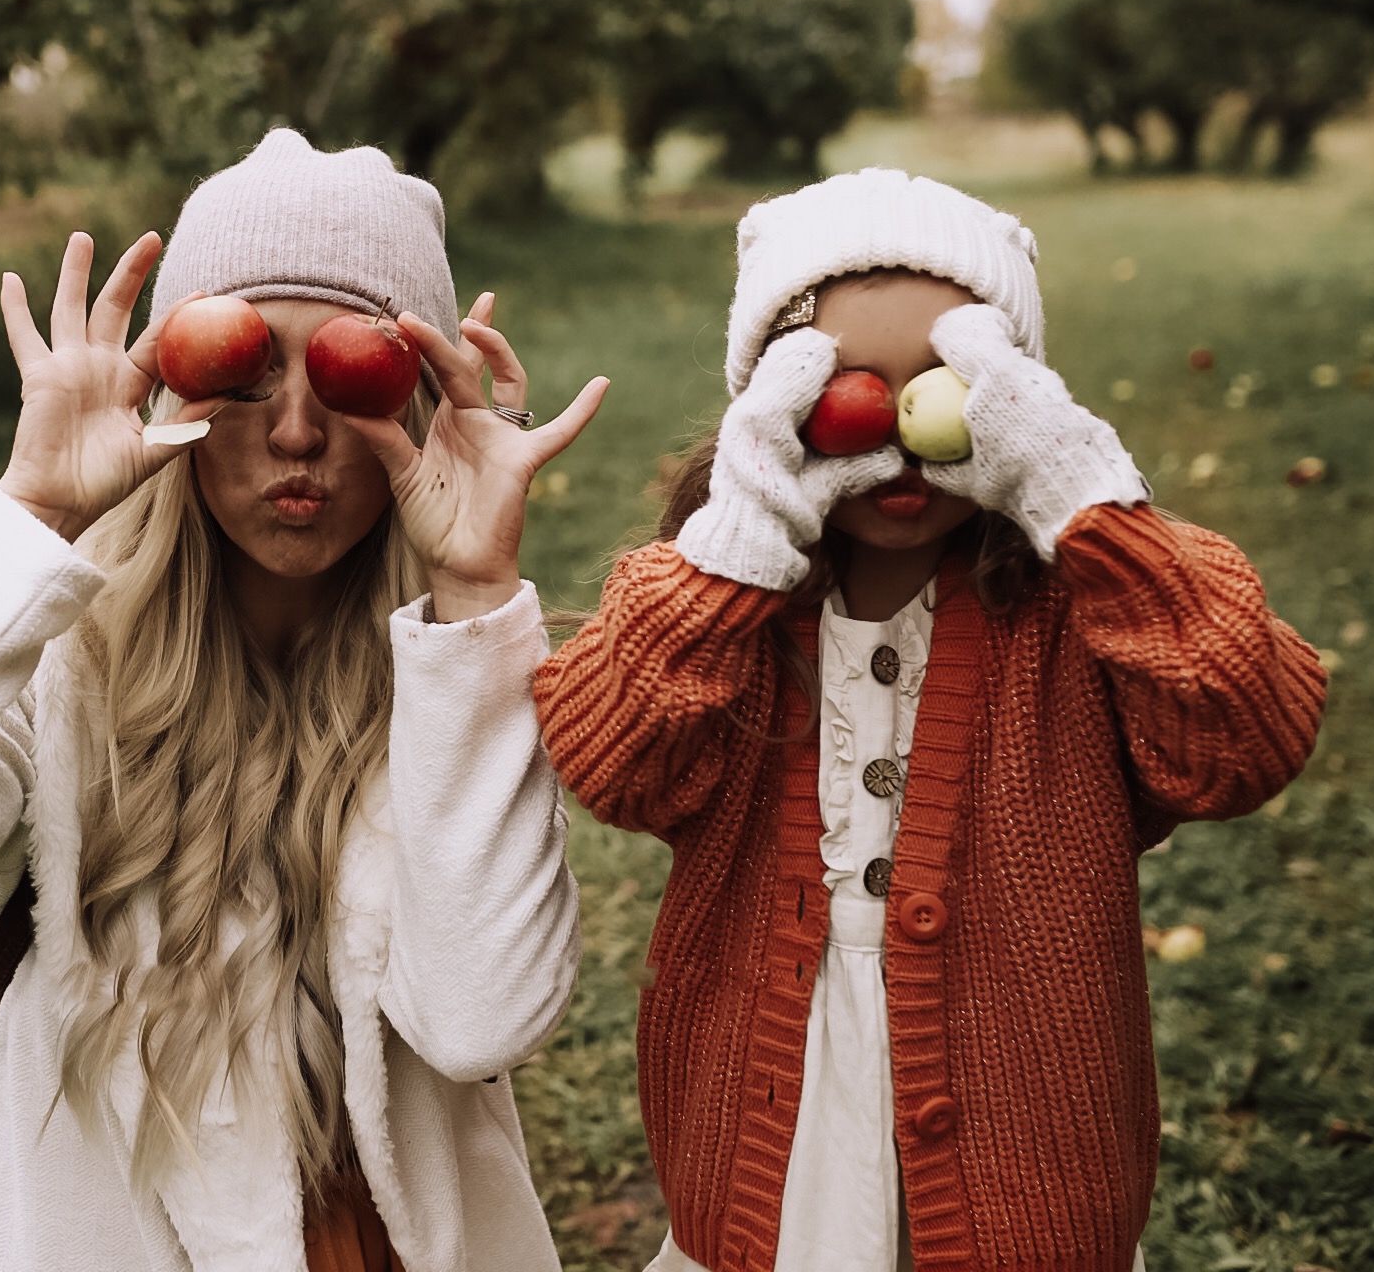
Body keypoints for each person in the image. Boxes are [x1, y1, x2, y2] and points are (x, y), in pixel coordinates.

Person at [0, 129, 608, 1272]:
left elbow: (487, 1020)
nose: (294, 431)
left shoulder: (450, 677)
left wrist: (474, 594)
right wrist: (30, 518)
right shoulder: (58, 663)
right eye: (240, 371)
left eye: (347, 373)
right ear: (175, 386)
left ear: (422, 405)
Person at [532, 169, 1326, 1272]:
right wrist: (735, 546)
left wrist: (1087, 503)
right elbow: (609, 759)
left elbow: (1245, 736)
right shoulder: (730, 612)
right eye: (841, 389)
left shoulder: (1073, 609)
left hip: (1030, 1136)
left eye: (946, 384)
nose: (899, 432)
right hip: (774, 1125)